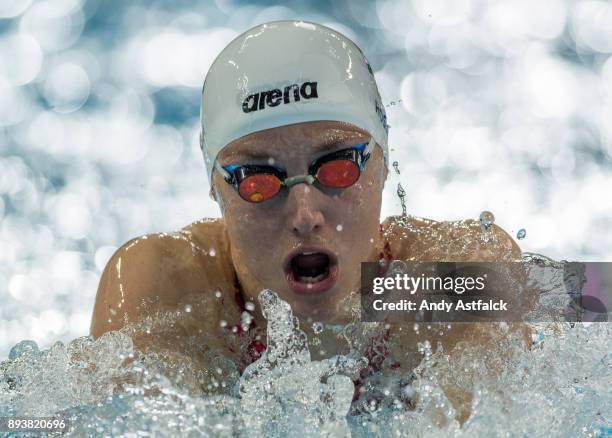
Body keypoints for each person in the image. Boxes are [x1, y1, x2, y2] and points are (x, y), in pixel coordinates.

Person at [90, 20, 525, 420]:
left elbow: (589, 305)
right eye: (257, 181)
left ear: (383, 163)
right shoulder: (165, 291)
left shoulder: (450, 278)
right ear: (215, 190)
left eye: (338, 168)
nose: (305, 216)